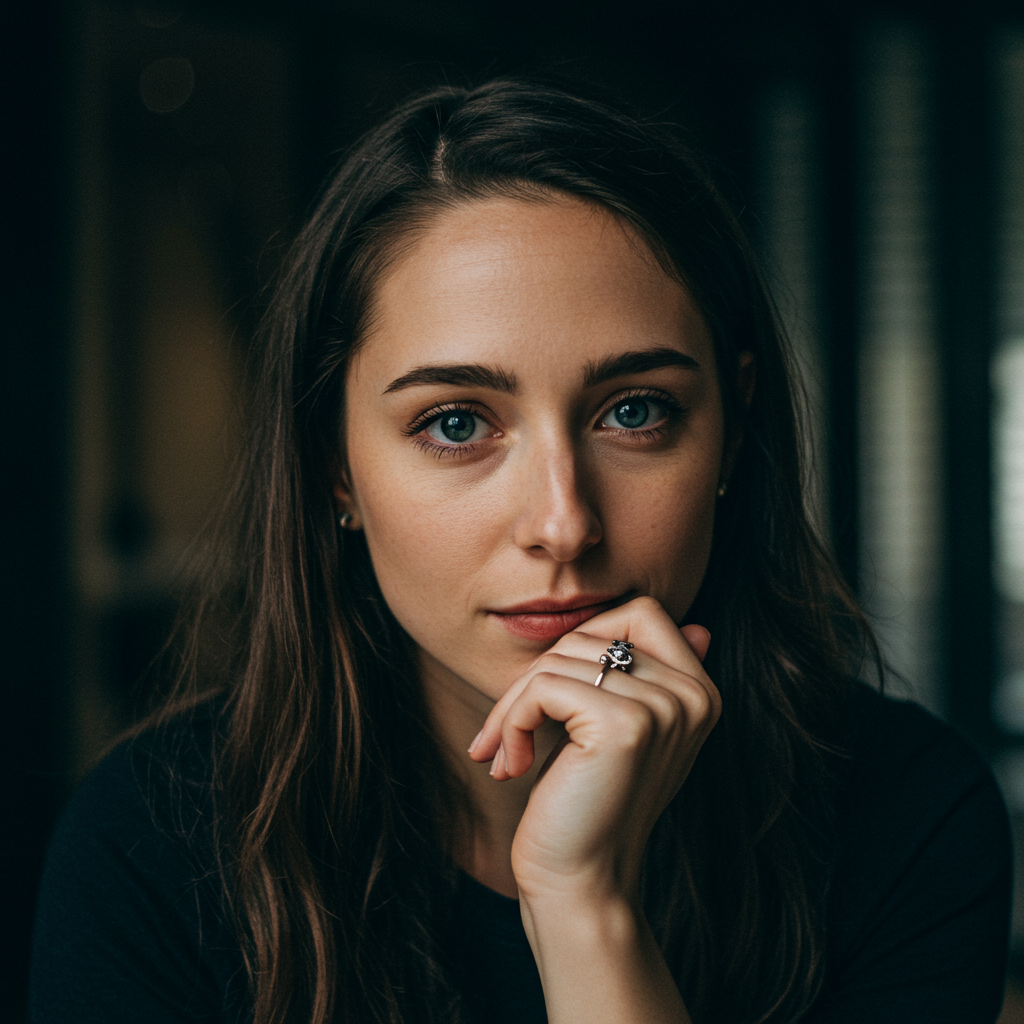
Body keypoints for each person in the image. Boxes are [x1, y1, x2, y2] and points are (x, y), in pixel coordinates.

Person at [30, 78, 1012, 1024]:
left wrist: (583, 901)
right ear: (336, 469)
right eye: (456, 424)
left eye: (635, 412)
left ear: (731, 431)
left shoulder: (904, 816)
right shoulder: (155, 844)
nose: (563, 522)